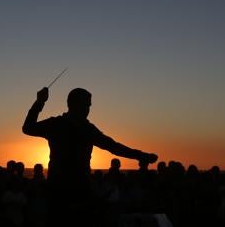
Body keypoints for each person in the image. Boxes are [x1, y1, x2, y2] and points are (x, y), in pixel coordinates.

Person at [22, 87, 158, 226]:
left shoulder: (87, 129)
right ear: (73, 104)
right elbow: (27, 128)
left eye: (89, 105)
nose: (88, 109)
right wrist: (39, 102)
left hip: (80, 191)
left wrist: (141, 156)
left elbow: (113, 146)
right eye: (85, 105)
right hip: (59, 193)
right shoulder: (58, 124)